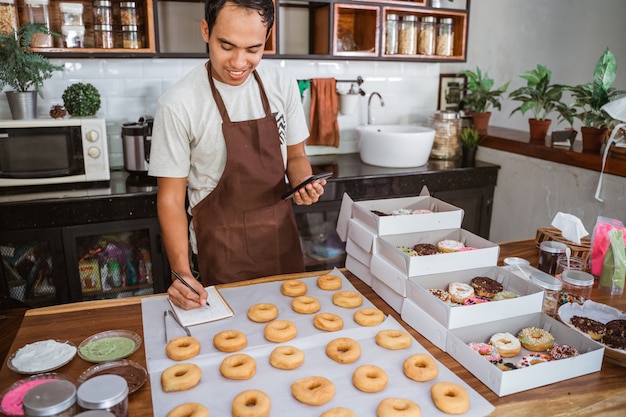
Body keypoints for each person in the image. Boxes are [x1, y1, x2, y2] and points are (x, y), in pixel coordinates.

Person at [148, 0, 326, 310]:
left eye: (252, 50)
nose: (238, 62)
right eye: (226, 46)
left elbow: (296, 156)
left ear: (266, 39)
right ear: (206, 30)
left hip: (280, 245)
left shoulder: (281, 83)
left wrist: (304, 184)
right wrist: (182, 273)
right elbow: (172, 199)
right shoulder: (178, 103)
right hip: (220, 253)